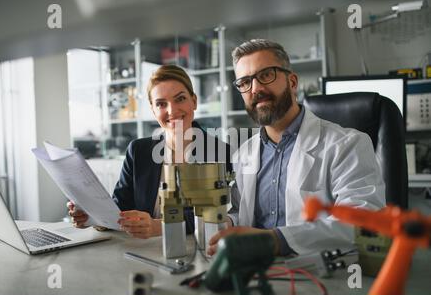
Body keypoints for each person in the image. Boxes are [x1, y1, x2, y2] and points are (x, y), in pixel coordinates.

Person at [207, 39, 386, 256]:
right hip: (254, 268)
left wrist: (274, 240)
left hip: (322, 274)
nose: (255, 89)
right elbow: (240, 213)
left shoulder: (347, 145)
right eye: (245, 82)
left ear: (292, 82)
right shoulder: (243, 154)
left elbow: (363, 220)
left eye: (265, 75)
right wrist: (225, 223)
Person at [68, 64, 231, 239]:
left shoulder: (220, 152)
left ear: (194, 101)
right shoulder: (138, 151)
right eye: (161, 104)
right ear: (153, 110)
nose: (172, 110)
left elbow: (214, 216)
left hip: (195, 252)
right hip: (141, 250)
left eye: (180, 99)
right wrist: (93, 216)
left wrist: (161, 227)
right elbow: (120, 208)